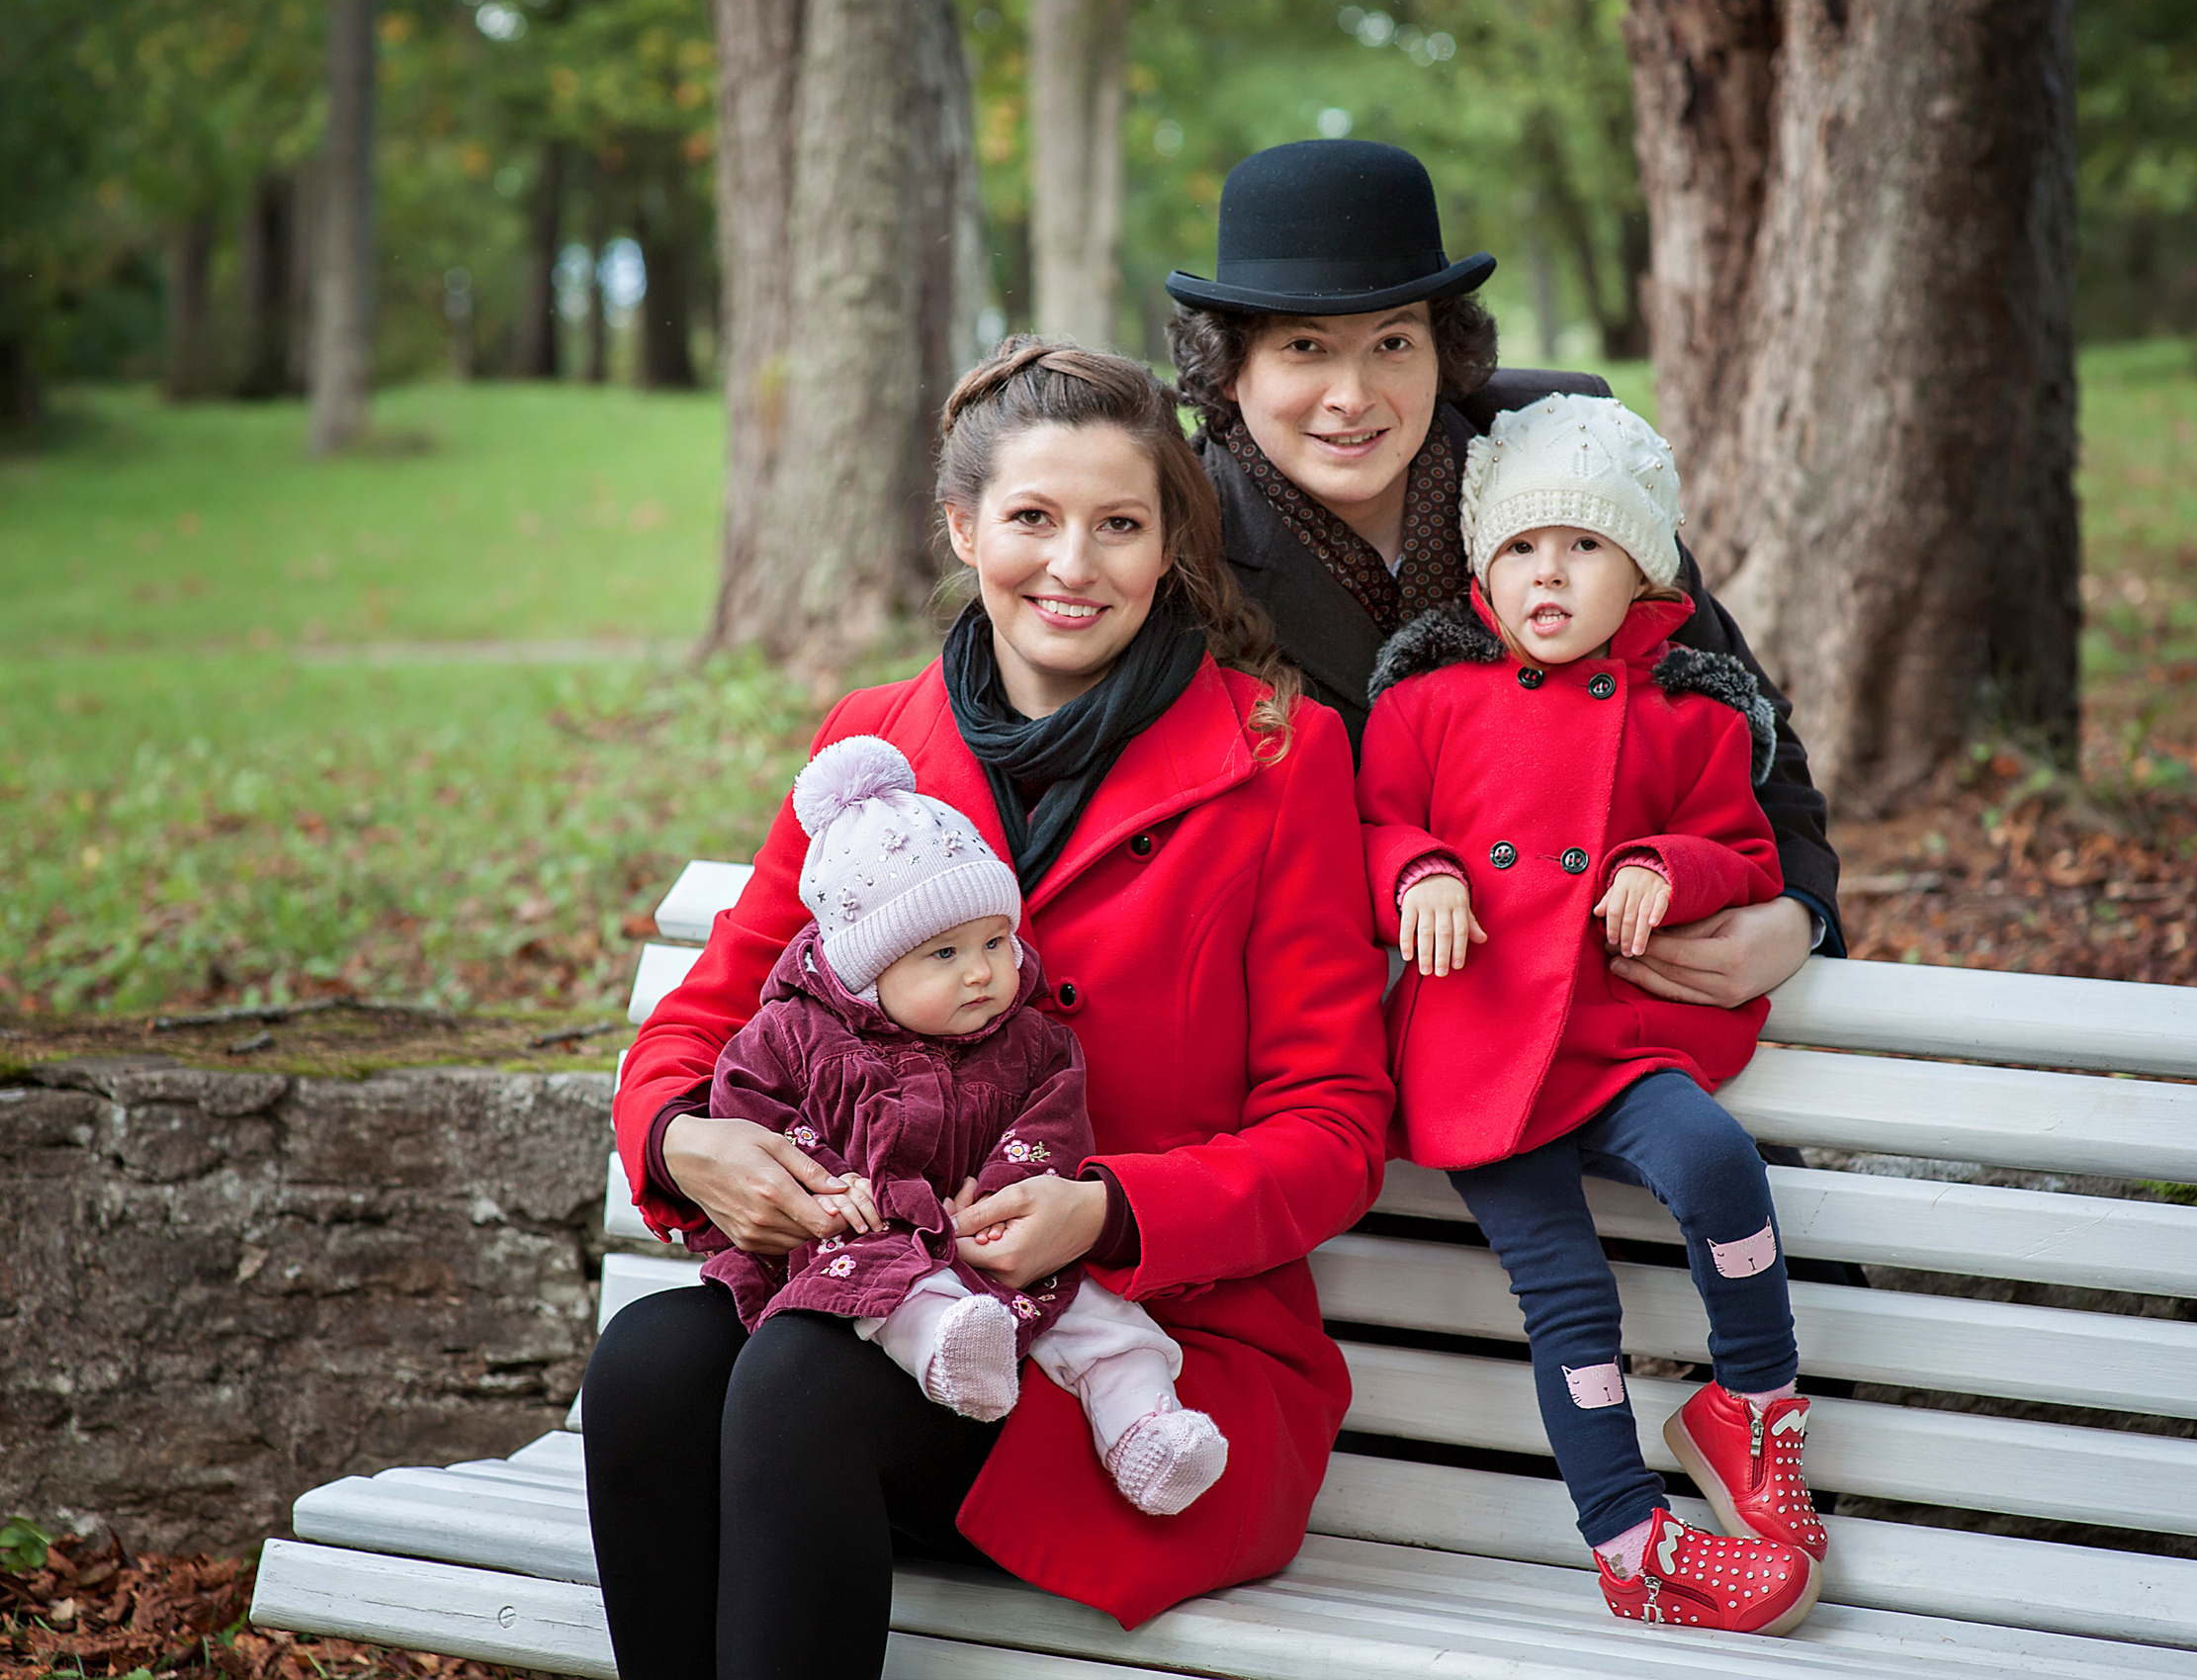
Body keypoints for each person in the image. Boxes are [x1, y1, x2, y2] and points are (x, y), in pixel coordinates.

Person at [584, 338, 1391, 1677]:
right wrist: (683, 1139)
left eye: (1119, 525)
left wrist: (1109, 1210)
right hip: (889, 1297)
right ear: (964, 528)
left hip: (1140, 1365)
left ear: (1168, 548)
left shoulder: (1277, 758)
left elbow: (1335, 1126)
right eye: (1032, 519)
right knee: (652, 1365)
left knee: (798, 1385)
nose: (1073, 564)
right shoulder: (874, 748)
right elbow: (700, 1022)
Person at [1164, 137, 1842, 1014]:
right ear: (1230, 367)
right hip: (1313, 1021)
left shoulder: (1565, 460)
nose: (1353, 394)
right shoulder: (1177, 535)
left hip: (1609, 1015)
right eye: (1304, 347)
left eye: (1393, 343)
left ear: (1442, 353)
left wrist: (1795, 913)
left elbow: (1743, 721)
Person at [1356, 394, 1827, 1633]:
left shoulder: (1694, 713)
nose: (1547, 572)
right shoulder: (1424, 705)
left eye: (1584, 546)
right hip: (1476, 1053)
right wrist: (1422, 871)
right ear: (1483, 574)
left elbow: (1747, 850)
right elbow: (1368, 826)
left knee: (1718, 1162)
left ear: (1644, 574)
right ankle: (1627, 1538)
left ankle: (1751, 1402)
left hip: (1614, 1040)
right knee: (1568, 1303)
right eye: (1519, 548)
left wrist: (1669, 866)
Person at [688, 734, 1229, 1517]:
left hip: (995, 1241)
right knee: (890, 1292)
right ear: (868, 973)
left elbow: (1052, 1124)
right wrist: (827, 1188)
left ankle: (1148, 1429)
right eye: (943, 953)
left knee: (1105, 1324)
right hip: (861, 1235)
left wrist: (1009, 1195)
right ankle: (949, 1352)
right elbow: (751, 1109)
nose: (981, 972)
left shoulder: (1030, 1041)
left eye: (994, 942)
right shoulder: (793, 1036)